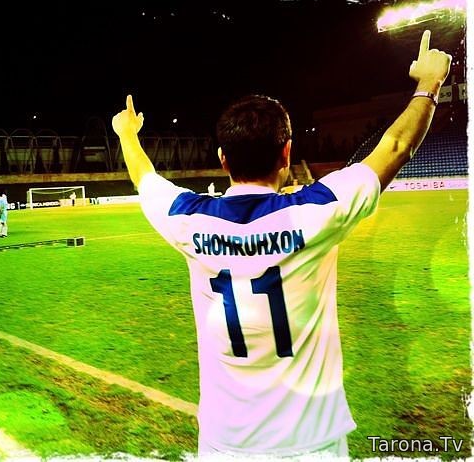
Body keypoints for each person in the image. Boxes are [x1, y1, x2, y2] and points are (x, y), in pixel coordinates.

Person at [111, 30, 451, 457]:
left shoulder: (187, 218)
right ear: (287, 153)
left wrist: (127, 134)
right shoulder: (319, 209)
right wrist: (429, 84)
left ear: (222, 159)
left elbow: (145, 179)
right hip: (312, 444)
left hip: (224, 444)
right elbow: (397, 146)